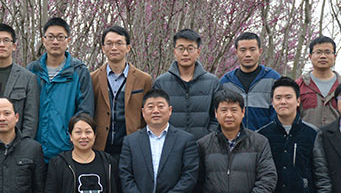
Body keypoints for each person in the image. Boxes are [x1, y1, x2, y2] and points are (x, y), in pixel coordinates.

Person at [119, 87, 200, 193]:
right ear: (143, 112)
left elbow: (189, 177)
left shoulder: (186, 140)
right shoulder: (131, 141)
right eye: (150, 107)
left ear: (170, 110)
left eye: (160, 106)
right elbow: (125, 175)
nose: (155, 110)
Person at [196, 89, 277, 193]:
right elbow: (196, 185)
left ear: (243, 112)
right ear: (216, 113)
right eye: (224, 110)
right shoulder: (203, 145)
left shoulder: (259, 142)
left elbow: (268, 180)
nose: (229, 115)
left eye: (234, 110)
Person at [257, 77, 331, 193]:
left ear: (298, 101)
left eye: (288, 97)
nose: (283, 102)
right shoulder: (262, 136)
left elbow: (322, 175)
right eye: (278, 98)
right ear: (272, 102)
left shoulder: (312, 134)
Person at [29, 17, 94, 161]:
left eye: (60, 37)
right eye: (50, 37)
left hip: (66, 152)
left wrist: (69, 138)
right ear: (43, 40)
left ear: (68, 40)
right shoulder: (32, 71)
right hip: (34, 151)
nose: (55, 42)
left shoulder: (79, 72)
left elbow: (85, 112)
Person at [91, 25, 152, 156]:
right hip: (100, 148)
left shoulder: (143, 79)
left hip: (132, 148)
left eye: (119, 43)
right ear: (103, 48)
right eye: (109, 44)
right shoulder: (93, 79)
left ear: (128, 47)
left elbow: (147, 115)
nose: (114, 48)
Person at [153, 29, 219, 140]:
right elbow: (156, 117)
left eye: (190, 49)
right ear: (174, 51)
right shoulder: (161, 83)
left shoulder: (212, 82)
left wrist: (208, 138)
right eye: (181, 48)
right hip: (171, 144)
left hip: (204, 145)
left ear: (198, 52)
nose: (185, 53)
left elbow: (217, 116)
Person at [218, 32, 280, 131]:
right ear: (236, 52)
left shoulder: (273, 79)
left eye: (252, 49)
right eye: (243, 50)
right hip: (234, 138)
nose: (248, 54)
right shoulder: (226, 82)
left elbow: (279, 114)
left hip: (266, 138)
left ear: (260, 51)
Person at [296, 35, 341, 128]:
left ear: (334, 56)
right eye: (318, 52)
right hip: (307, 136)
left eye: (327, 52)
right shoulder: (299, 85)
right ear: (310, 56)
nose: (323, 56)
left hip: (338, 136)